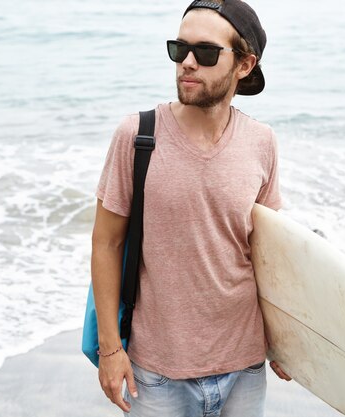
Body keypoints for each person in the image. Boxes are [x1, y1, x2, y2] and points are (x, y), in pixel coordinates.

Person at [91, 1, 291, 415]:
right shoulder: (137, 135)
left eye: (205, 52)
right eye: (178, 49)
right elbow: (107, 244)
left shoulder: (261, 142)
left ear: (244, 64)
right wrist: (110, 350)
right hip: (158, 371)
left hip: (245, 366)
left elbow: (270, 255)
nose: (187, 63)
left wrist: (288, 341)